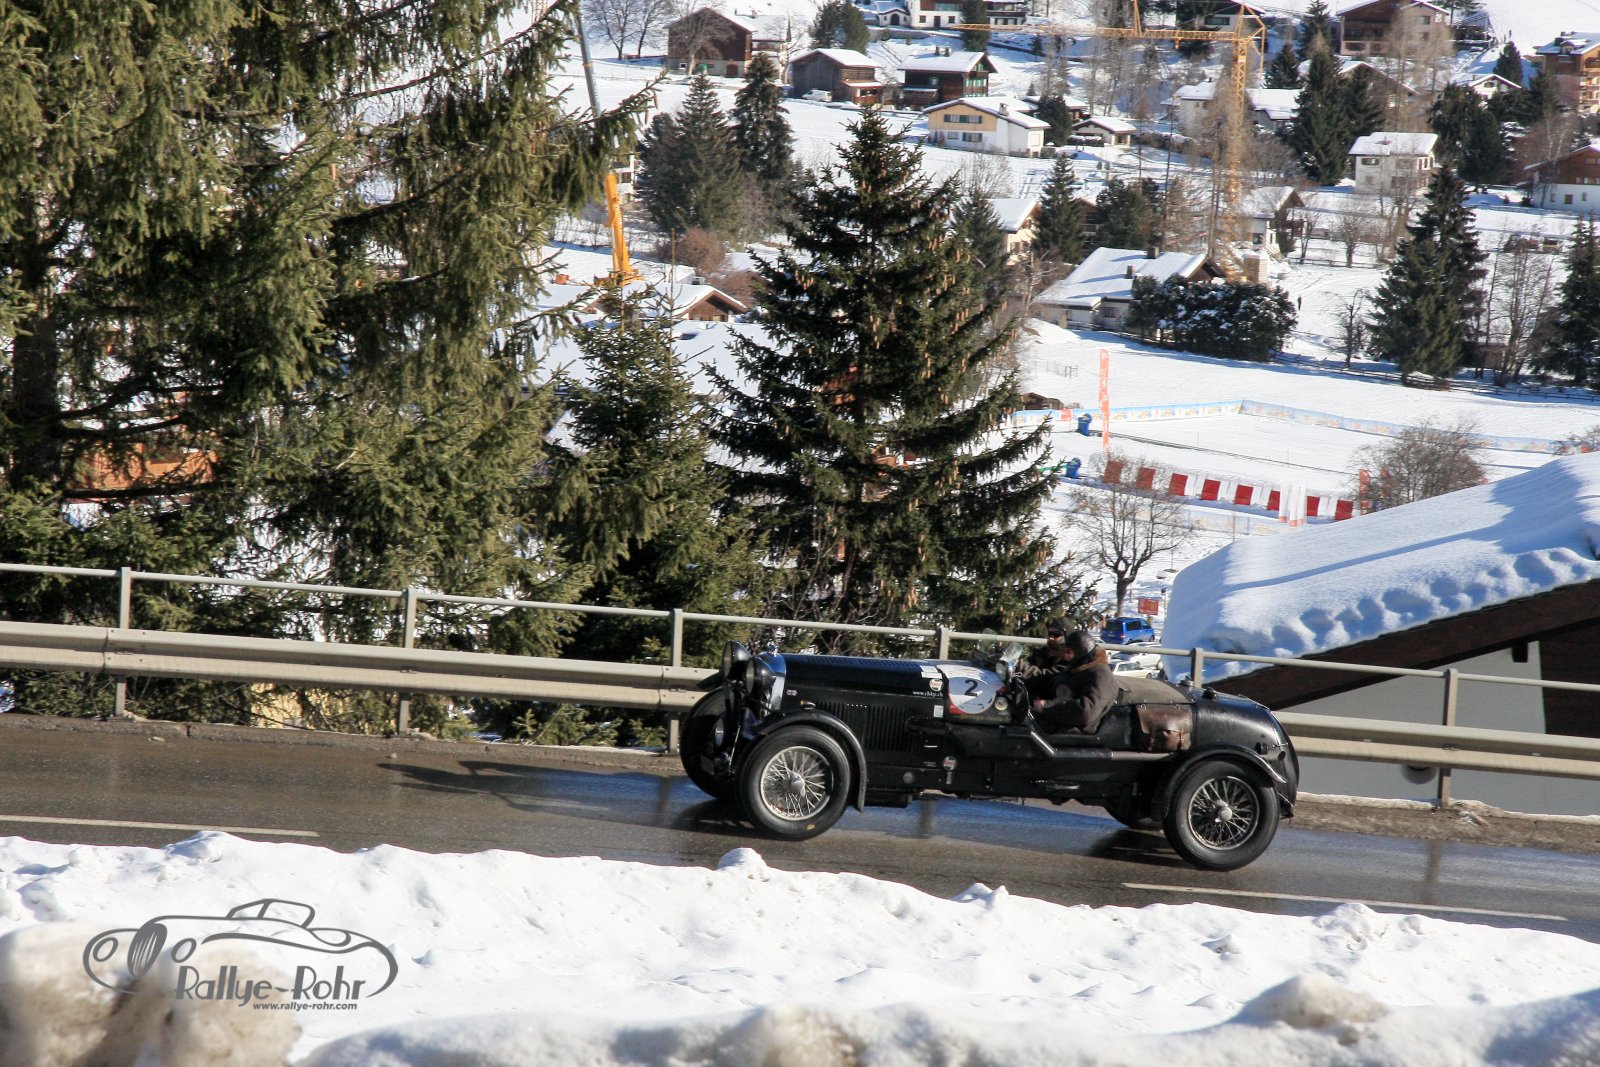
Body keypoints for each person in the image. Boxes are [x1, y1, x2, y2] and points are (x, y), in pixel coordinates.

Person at [1023, 627, 1116, 734]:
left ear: (1081, 653)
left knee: (1021, 730)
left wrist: (1046, 707)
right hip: (1055, 721)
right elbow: (1052, 683)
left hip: (1072, 730)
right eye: (1064, 651)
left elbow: (1086, 712)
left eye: (1069, 652)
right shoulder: (1077, 668)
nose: (1066, 656)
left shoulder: (1101, 675)